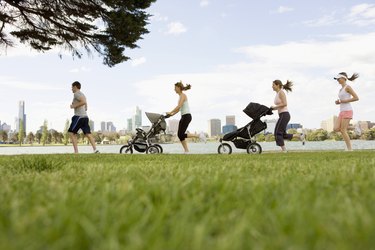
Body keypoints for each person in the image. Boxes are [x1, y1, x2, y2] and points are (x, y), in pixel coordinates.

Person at [167, 81, 206, 154]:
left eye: (175, 88)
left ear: (178, 88)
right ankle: (186, 151)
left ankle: (199, 135)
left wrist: (170, 111)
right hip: (184, 116)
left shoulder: (183, 95)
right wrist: (170, 114)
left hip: (187, 116)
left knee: (181, 134)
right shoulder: (180, 96)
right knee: (180, 135)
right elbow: (178, 109)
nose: (174, 89)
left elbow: (179, 106)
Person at [271, 79, 303, 152]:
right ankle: (298, 136)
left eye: (273, 85)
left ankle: (284, 150)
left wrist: (274, 107)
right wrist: (273, 109)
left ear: (277, 85)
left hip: (284, 114)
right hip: (282, 115)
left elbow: (285, 104)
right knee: (282, 134)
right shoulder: (277, 93)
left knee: (277, 132)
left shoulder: (281, 92)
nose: (272, 87)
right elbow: (280, 105)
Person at [68, 81, 99, 154]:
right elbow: (86, 106)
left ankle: (76, 152)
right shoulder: (82, 94)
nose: (71, 89)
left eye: (72, 87)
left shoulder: (76, 94)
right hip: (85, 116)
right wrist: (78, 106)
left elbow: (83, 102)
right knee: (88, 134)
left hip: (79, 117)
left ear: (75, 87)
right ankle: (95, 150)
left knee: (72, 133)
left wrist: (73, 106)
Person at [333, 72, 359, 151]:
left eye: (338, 78)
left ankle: (349, 149)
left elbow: (356, 98)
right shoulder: (341, 89)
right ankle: (354, 127)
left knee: (343, 130)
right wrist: (338, 102)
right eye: (337, 79)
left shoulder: (348, 87)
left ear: (344, 78)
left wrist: (343, 101)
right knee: (336, 128)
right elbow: (342, 100)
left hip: (348, 110)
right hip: (341, 111)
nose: (337, 80)